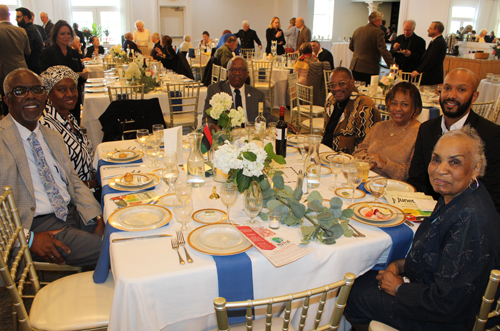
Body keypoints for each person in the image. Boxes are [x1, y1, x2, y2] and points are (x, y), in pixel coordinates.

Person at [345, 126, 500, 331]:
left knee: (352, 292)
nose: (440, 169)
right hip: (432, 295)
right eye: (436, 159)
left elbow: (448, 303)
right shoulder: (459, 195)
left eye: (454, 162)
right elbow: (436, 255)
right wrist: (400, 266)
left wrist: (399, 288)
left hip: (445, 321)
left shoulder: (470, 217)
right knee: (366, 275)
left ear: (476, 167)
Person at [0, 68, 104, 267]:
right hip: (36, 224)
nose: (30, 96)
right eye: (20, 91)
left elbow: (73, 180)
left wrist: (96, 215)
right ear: (7, 100)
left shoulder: (51, 135)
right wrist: (29, 238)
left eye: (36, 89)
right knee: (113, 250)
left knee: (122, 230)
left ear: (44, 96)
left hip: (71, 211)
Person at [408, 68, 500, 214]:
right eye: (447, 88)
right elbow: (417, 179)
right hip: (425, 212)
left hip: (467, 217)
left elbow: (492, 194)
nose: (451, 95)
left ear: (474, 96)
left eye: (461, 90)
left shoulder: (491, 135)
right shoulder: (427, 129)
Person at [39, 66, 98, 191]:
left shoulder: (68, 117)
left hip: (88, 187)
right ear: (48, 94)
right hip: (75, 198)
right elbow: (54, 179)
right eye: (62, 90)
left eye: (73, 88)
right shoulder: (47, 127)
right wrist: (93, 183)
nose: (70, 94)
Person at [353, 82, 422, 181]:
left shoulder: (420, 133)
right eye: (394, 103)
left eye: (404, 104)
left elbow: (412, 174)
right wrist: (367, 159)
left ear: (415, 107)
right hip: (366, 181)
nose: (398, 108)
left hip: (394, 189)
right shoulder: (379, 127)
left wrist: (385, 164)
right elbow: (358, 152)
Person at [204, 56, 277, 129]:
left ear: (247, 74)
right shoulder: (215, 91)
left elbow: (266, 117)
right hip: (226, 136)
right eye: (233, 69)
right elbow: (207, 118)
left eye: (241, 70)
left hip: (250, 134)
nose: (237, 73)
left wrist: (283, 124)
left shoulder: (257, 95)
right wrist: (211, 127)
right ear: (227, 72)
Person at [321, 67, 380, 154]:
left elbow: (367, 146)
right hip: (324, 152)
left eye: (342, 84)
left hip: (344, 160)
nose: (336, 88)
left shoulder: (364, 107)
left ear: (352, 82)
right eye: (332, 85)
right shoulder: (331, 101)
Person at [39, 20, 88, 124]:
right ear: (55, 35)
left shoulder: (74, 53)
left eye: (68, 33)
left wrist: (83, 75)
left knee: (74, 124)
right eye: (62, 34)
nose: (66, 36)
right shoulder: (48, 53)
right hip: (57, 99)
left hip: (73, 97)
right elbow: (44, 77)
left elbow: (80, 76)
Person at [349, 11, 395, 86]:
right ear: (377, 20)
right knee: (369, 91)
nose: (381, 23)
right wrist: (392, 65)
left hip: (355, 66)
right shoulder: (378, 32)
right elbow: (383, 50)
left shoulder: (358, 30)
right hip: (369, 68)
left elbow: (351, 47)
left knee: (358, 90)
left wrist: (361, 52)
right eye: (380, 20)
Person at [0, 5, 30, 116]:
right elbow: (28, 51)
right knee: (24, 98)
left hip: (4, 72)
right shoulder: (21, 31)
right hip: (22, 70)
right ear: (9, 15)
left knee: (8, 101)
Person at [411, 21, 447, 86]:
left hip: (432, 77)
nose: (428, 30)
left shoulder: (438, 42)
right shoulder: (437, 41)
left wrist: (418, 71)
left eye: (430, 28)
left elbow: (430, 60)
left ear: (436, 30)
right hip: (432, 77)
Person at [16, 7, 43, 74]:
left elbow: (28, 52)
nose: (16, 19)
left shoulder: (28, 30)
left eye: (18, 17)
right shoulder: (31, 28)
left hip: (32, 67)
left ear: (26, 17)